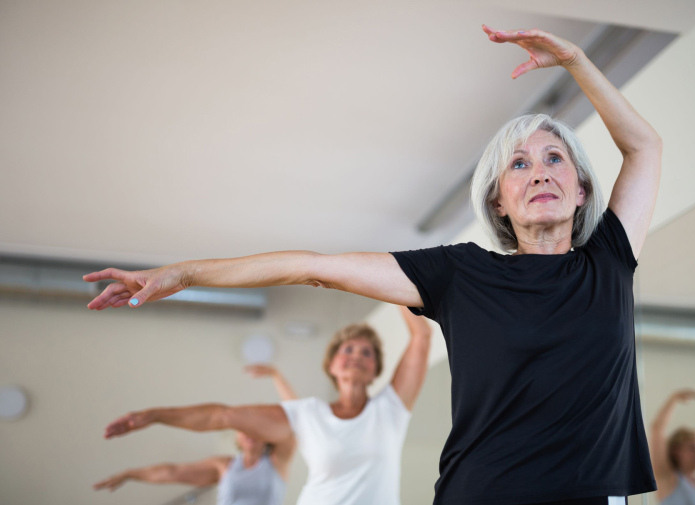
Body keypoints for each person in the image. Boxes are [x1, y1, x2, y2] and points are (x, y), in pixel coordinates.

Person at [85, 26, 661, 504]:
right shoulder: (460, 275)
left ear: (582, 189)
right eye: (519, 165)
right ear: (498, 202)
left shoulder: (609, 262)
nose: (539, 172)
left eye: (555, 158)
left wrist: (576, 61)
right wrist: (184, 275)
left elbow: (644, 147)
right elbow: (314, 267)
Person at [101, 307, 432, 505]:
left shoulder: (390, 409)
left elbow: (421, 337)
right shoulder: (307, 414)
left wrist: (399, 278)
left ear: (375, 368)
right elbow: (223, 415)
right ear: (331, 364)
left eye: (367, 353)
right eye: (348, 350)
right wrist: (155, 415)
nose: (357, 357)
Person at [94, 366, 298, 504]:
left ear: (266, 435)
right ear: (236, 436)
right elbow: (172, 472)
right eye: (243, 430)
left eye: (255, 430)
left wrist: (276, 375)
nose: (249, 433)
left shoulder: (278, 460)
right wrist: (130, 474)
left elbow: (298, 416)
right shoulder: (223, 466)